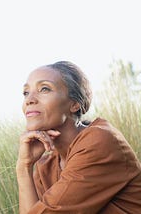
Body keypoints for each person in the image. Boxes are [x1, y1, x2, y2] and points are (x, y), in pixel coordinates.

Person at [16, 61, 141, 213]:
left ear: (75, 104)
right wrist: (24, 167)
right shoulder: (46, 166)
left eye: (44, 89)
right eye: (26, 92)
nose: (29, 100)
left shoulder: (100, 140)